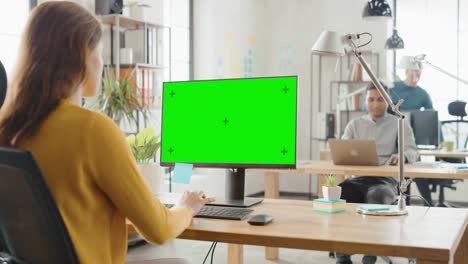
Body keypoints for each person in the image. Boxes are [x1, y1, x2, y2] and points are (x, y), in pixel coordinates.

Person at [0, 2, 213, 263]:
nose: (101, 63)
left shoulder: (6, 125)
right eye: (98, 51)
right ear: (81, 55)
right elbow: (159, 230)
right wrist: (186, 207)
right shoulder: (92, 130)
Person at [335, 82, 418, 264]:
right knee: (338, 195)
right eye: (370, 99)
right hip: (357, 179)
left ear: (388, 101)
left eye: (380, 99)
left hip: (385, 181)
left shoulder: (399, 123)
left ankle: (369, 256)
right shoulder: (354, 124)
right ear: (365, 101)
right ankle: (342, 256)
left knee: (376, 196)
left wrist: (401, 155)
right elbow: (342, 149)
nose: (375, 104)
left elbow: (413, 151)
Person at [391, 62, 436, 206]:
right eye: (413, 72)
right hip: (393, 136)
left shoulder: (423, 94)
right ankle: (404, 203)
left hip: (411, 139)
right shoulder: (393, 87)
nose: (415, 76)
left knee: (417, 170)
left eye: (419, 73)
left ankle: (429, 204)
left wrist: (439, 141)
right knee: (401, 173)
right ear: (406, 71)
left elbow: (432, 119)